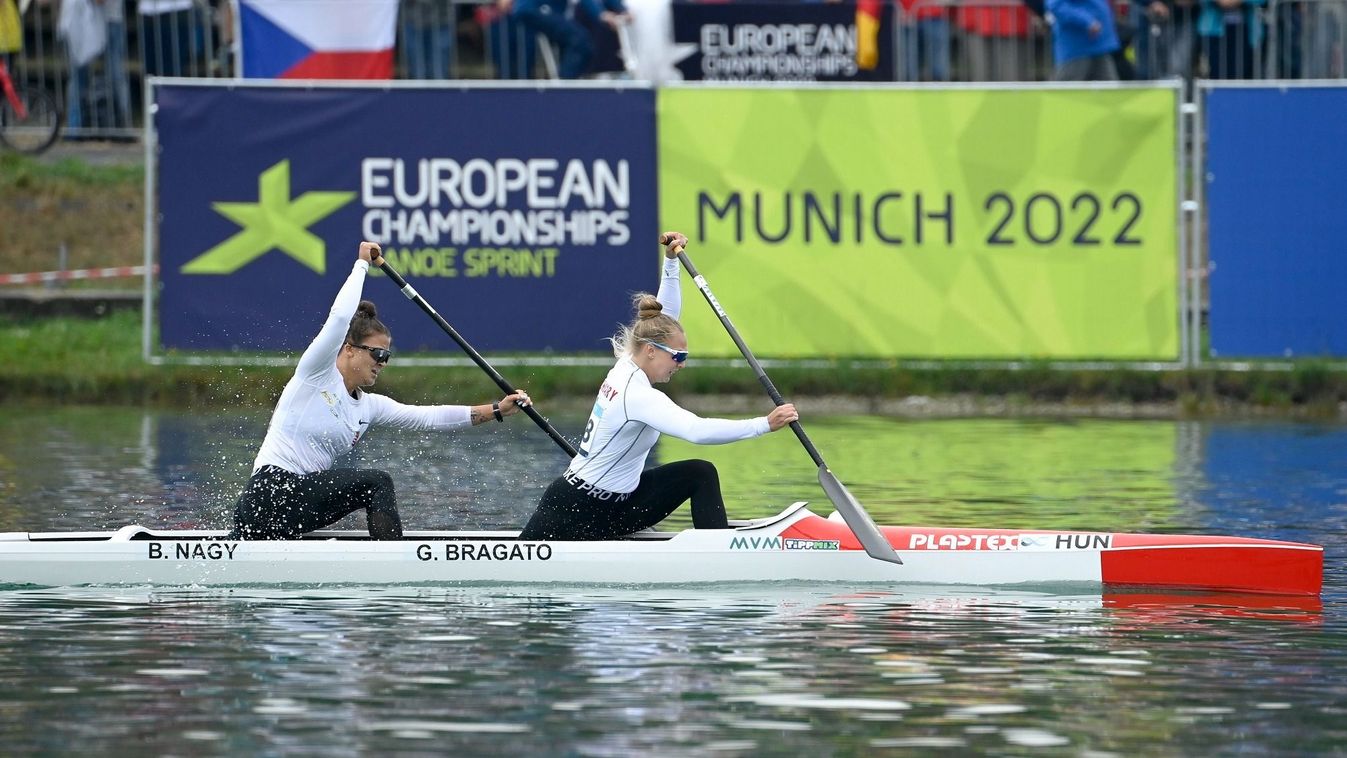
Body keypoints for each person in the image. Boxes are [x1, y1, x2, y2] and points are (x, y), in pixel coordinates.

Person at [231, 241, 533, 540]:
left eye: (387, 357)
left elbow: (429, 418)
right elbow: (338, 319)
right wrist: (362, 264)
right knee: (377, 483)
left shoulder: (368, 406)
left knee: (371, 486)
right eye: (378, 354)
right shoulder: (316, 373)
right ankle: (393, 564)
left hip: (289, 504)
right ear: (349, 349)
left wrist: (496, 410)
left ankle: (384, 556)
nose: (383, 363)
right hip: (269, 493)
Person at [518, 232, 798, 541]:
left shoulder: (630, 359)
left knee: (699, 473)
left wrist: (671, 263)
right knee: (700, 470)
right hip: (577, 510)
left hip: (614, 503)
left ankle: (716, 549)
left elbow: (665, 318)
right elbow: (696, 431)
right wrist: (764, 424)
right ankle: (719, 559)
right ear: (651, 350)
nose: (682, 364)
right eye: (678, 356)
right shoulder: (636, 395)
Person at [498, 0, 628, 79]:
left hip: (538, 9)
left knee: (576, 41)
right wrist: (602, 15)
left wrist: (621, 9)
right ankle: (563, 87)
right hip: (534, 8)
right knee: (579, 40)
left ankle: (564, 84)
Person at [1046, 0, 1121, 80]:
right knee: (1066, 90)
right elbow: (1056, 5)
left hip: (1100, 45)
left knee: (1110, 90)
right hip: (1077, 49)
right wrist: (1087, 22)